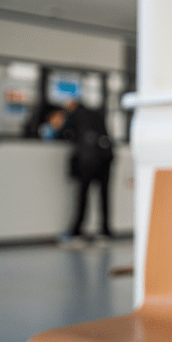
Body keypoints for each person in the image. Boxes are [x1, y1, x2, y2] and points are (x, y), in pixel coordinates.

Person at [58, 99, 114, 244]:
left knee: (83, 195)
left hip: (88, 159)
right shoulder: (96, 112)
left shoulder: (75, 115)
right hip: (106, 157)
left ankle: (76, 230)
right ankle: (106, 231)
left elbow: (65, 132)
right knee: (104, 195)